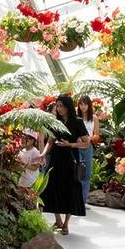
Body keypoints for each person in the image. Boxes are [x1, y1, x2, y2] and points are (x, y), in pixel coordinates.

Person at [40, 95, 89, 235]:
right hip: (56, 158)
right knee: (52, 187)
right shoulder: (55, 121)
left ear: (67, 106)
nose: (59, 109)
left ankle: (66, 224)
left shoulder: (77, 122)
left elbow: (86, 142)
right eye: (57, 106)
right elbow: (50, 141)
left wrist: (70, 144)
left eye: (61, 106)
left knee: (70, 189)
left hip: (70, 159)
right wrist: (43, 154)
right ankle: (57, 220)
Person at [75, 95, 100, 204]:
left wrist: (89, 139)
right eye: (81, 104)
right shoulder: (75, 117)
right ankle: (74, 200)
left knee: (86, 174)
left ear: (89, 105)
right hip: (77, 146)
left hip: (88, 147)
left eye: (85, 104)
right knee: (76, 173)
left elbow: (97, 135)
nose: (83, 106)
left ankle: (82, 201)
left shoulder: (94, 118)